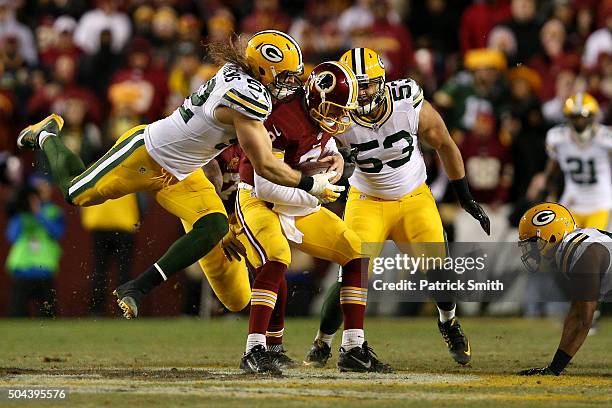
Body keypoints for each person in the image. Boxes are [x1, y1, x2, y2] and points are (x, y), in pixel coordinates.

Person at [16, 30, 341, 319]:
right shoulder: (249, 98)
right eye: (284, 76)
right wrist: (311, 183)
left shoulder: (243, 81)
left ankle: (137, 288)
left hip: (183, 172)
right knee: (76, 193)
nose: (289, 83)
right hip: (145, 155)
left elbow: (210, 144)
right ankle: (47, 135)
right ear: (261, 70)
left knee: (213, 225)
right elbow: (265, 165)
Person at [305, 48, 491, 368]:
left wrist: (464, 196)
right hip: (366, 201)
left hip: (414, 198)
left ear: (383, 82)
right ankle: (323, 341)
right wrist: (338, 168)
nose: (363, 92)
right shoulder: (336, 115)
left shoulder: (407, 101)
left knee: (440, 274)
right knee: (352, 275)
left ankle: (449, 323)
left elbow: (445, 142)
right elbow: (321, 164)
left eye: (369, 84)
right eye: (356, 85)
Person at [227, 61, 390, 374]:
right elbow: (267, 187)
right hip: (258, 198)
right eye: (335, 110)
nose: (340, 118)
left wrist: (337, 161)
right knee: (277, 256)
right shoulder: (279, 119)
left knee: (354, 252)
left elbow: (322, 145)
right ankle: (255, 349)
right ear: (314, 98)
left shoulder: (320, 114)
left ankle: (353, 346)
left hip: (299, 199)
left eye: (343, 111)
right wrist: (315, 191)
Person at [517, 202, 611, 375]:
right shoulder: (577, 245)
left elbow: (584, 319)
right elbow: (577, 312)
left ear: (553, 236)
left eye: (534, 242)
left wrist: (554, 369)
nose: (531, 249)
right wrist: (554, 369)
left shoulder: (580, 252)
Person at [529, 92, 611, 229]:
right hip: (571, 203)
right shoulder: (558, 139)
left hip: (600, 204)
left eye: (583, 117)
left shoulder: (605, 139)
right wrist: (547, 188)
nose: (580, 122)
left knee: (593, 247)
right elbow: (553, 168)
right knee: (563, 248)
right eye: (575, 117)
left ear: (593, 117)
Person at [5, 175, 65, 317]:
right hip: (22, 269)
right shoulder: (20, 213)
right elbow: (11, 236)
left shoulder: (54, 211)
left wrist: (39, 213)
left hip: (44, 269)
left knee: (48, 314)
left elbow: (57, 233)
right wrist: (22, 211)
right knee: (17, 314)